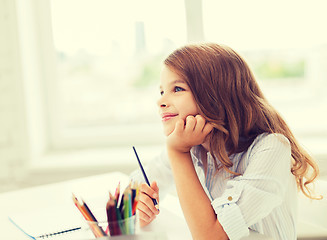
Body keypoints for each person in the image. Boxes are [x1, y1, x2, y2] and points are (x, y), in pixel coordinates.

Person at [130, 43, 321, 240]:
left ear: (215, 95)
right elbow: (137, 184)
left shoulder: (272, 148)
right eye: (162, 91)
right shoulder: (193, 145)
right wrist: (140, 201)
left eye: (177, 88)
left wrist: (178, 153)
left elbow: (211, 237)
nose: (160, 101)